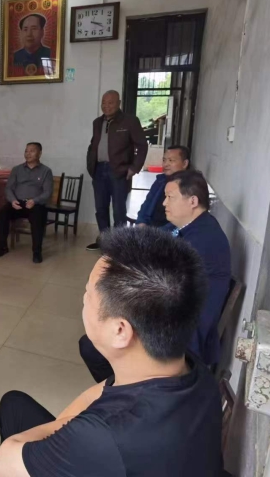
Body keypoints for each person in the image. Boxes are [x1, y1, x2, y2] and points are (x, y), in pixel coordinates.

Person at [0, 227, 223, 477]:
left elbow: (2, 461)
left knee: (13, 414)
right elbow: (104, 389)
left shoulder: (104, 437)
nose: (83, 300)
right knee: (15, 404)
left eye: (88, 294)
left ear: (120, 330)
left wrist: (67, 431)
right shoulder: (194, 370)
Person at [79, 169, 231, 383]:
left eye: (170, 197)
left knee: (93, 346)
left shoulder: (204, 240)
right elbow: (151, 241)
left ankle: (131, 388)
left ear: (193, 201)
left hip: (183, 334)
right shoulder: (189, 226)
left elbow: (162, 286)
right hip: (170, 316)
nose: (164, 203)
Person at [85, 90, 148, 251]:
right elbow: (93, 145)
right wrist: (91, 165)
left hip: (119, 171)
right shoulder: (97, 122)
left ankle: (119, 245)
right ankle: (105, 241)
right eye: (103, 102)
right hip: (99, 170)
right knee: (100, 209)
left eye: (110, 102)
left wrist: (134, 168)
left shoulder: (130, 121)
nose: (106, 106)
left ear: (119, 103)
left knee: (119, 210)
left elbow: (142, 146)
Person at [0, 142, 53, 264]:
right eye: (26, 151)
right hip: (17, 203)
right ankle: (2, 246)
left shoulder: (46, 171)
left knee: (38, 218)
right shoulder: (17, 170)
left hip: (35, 204)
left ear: (40, 153)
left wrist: (35, 200)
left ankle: (37, 252)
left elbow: (47, 192)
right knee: (2, 214)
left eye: (32, 151)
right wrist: (12, 200)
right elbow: (9, 188)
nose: (28, 153)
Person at [135, 145, 191, 227]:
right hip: (149, 228)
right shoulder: (160, 181)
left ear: (185, 163)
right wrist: (141, 222)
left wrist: (155, 232)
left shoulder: (189, 187)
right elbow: (146, 205)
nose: (165, 164)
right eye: (164, 160)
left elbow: (181, 221)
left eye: (171, 160)